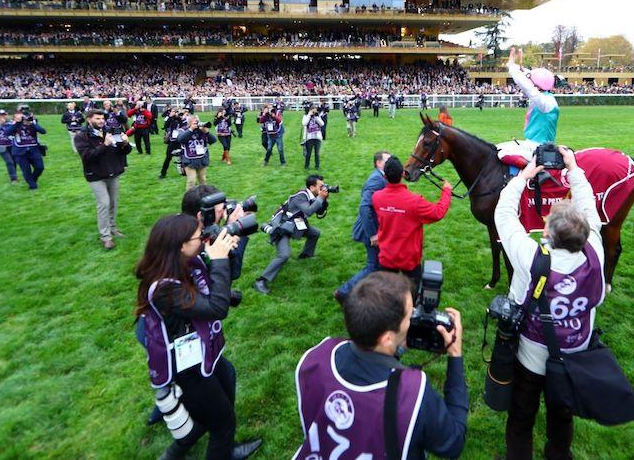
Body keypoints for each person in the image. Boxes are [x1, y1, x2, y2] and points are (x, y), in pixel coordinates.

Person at [494, 148, 605, 460]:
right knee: (562, 417)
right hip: (575, 353)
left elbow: (504, 214)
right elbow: (589, 206)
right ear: (586, 231)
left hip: (531, 356)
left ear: (546, 232)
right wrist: (573, 167)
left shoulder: (531, 257)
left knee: (521, 418)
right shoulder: (595, 250)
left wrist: (524, 177)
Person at [293, 273, 468, 460]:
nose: (414, 317)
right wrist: (455, 355)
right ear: (387, 338)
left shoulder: (315, 358)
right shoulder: (412, 394)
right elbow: (453, 443)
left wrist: (395, 348)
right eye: (410, 315)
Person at [135, 215, 262, 460]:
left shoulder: (186, 263)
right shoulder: (164, 288)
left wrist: (225, 255)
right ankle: (221, 451)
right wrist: (219, 260)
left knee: (225, 389)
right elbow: (216, 307)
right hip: (188, 366)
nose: (204, 239)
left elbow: (214, 289)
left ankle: (190, 450)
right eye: (199, 237)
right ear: (181, 245)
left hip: (205, 351)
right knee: (223, 421)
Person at [371, 156, 452, 285]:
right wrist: (446, 191)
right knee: (412, 294)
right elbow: (438, 212)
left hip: (386, 257)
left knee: (387, 293)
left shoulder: (376, 197)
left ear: (385, 176)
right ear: (403, 174)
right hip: (409, 261)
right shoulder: (414, 202)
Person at [254, 175, 330, 295]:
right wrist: (320, 198)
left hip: (295, 225)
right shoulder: (300, 196)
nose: (324, 187)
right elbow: (309, 211)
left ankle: (305, 255)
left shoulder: (313, 196)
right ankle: (261, 281)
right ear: (312, 187)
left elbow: (319, 212)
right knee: (284, 255)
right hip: (281, 227)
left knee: (315, 233)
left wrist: (323, 200)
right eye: (321, 186)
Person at [334, 151, 390, 302]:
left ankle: (375, 293)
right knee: (374, 265)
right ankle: (344, 291)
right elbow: (364, 208)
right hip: (370, 229)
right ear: (378, 163)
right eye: (387, 160)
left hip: (374, 227)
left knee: (380, 264)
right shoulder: (376, 180)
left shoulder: (381, 177)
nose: (390, 163)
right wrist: (373, 234)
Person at [74, 109, 132, 250]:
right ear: (89, 119)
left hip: (112, 172)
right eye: (97, 118)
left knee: (113, 203)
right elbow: (88, 156)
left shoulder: (109, 131)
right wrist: (104, 145)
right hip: (95, 175)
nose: (101, 121)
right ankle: (105, 236)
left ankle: (112, 227)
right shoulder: (81, 136)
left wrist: (125, 144)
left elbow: (122, 152)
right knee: (104, 203)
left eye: (102, 119)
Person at [497, 48, 560, 170]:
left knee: (501, 152)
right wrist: (518, 67)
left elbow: (526, 85)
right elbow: (530, 76)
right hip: (534, 144)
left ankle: (531, 170)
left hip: (536, 147)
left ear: (537, 85)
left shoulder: (544, 101)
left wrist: (511, 66)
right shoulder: (547, 97)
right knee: (497, 147)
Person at [4, 109, 46, 190]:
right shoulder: (14, 124)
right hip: (19, 151)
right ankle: (33, 186)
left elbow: (43, 131)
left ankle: (32, 180)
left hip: (34, 149)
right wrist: (18, 123)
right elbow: (6, 132)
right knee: (26, 170)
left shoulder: (33, 123)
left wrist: (31, 123)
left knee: (40, 167)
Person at [178, 115, 217, 190]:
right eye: (194, 123)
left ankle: (204, 195)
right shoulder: (182, 130)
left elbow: (213, 140)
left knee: (203, 179)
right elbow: (180, 139)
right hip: (189, 160)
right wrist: (191, 129)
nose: (197, 124)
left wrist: (206, 132)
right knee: (191, 181)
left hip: (201, 159)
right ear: (189, 123)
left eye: (197, 122)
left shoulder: (201, 131)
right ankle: (189, 196)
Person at [159, 107, 184, 179]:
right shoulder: (169, 119)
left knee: (182, 156)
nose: (175, 113)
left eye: (176, 111)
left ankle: (183, 171)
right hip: (172, 141)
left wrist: (178, 117)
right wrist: (170, 117)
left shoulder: (179, 119)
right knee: (168, 158)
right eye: (174, 111)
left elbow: (182, 125)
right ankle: (163, 173)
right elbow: (165, 126)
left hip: (179, 140)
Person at [301, 105, 324, 170]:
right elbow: (304, 123)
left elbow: (322, 124)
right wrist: (309, 115)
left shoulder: (317, 116)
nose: (314, 111)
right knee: (308, 153)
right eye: (313, 110)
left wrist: (316, 117)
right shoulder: (305, 116)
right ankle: (306, 166)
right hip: (309, 137)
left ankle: (317, 166)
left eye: (315, 110)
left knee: (317, 153)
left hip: (317, 137)